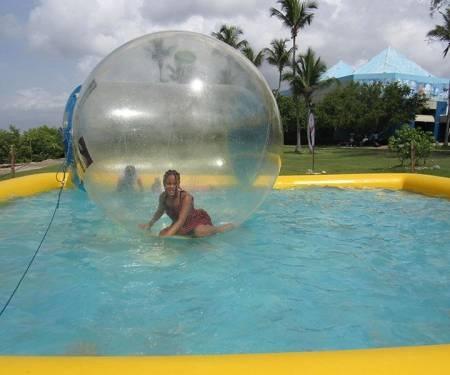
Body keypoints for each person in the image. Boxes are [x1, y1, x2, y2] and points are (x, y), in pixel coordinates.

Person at [139, 169, 233, 237]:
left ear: (178, 184)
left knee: (199, 232)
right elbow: (159, 212)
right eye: (168, 184)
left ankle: (221, 228)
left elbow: (181, 220)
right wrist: (149, 224)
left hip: (194, 221)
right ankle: (185, 234)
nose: (171, 186)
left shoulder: (186, 198)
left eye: (174, 184)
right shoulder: (163, 197)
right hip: (179, 225)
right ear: (164, 184)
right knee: (161, 234)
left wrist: (168, 235)